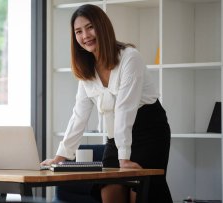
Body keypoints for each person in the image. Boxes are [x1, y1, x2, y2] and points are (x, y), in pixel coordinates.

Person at [41, 4, 173, 203]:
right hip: (116, 138)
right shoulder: (87, 70)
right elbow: (79, 115)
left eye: (90, 27)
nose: (85, 35)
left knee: (140, 194)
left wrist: (125, 159)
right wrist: (60, 158)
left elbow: (125, 108)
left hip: (149, 133)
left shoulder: (130, 57)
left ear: (102, 26)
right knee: (110, 193)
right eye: (78, 31)